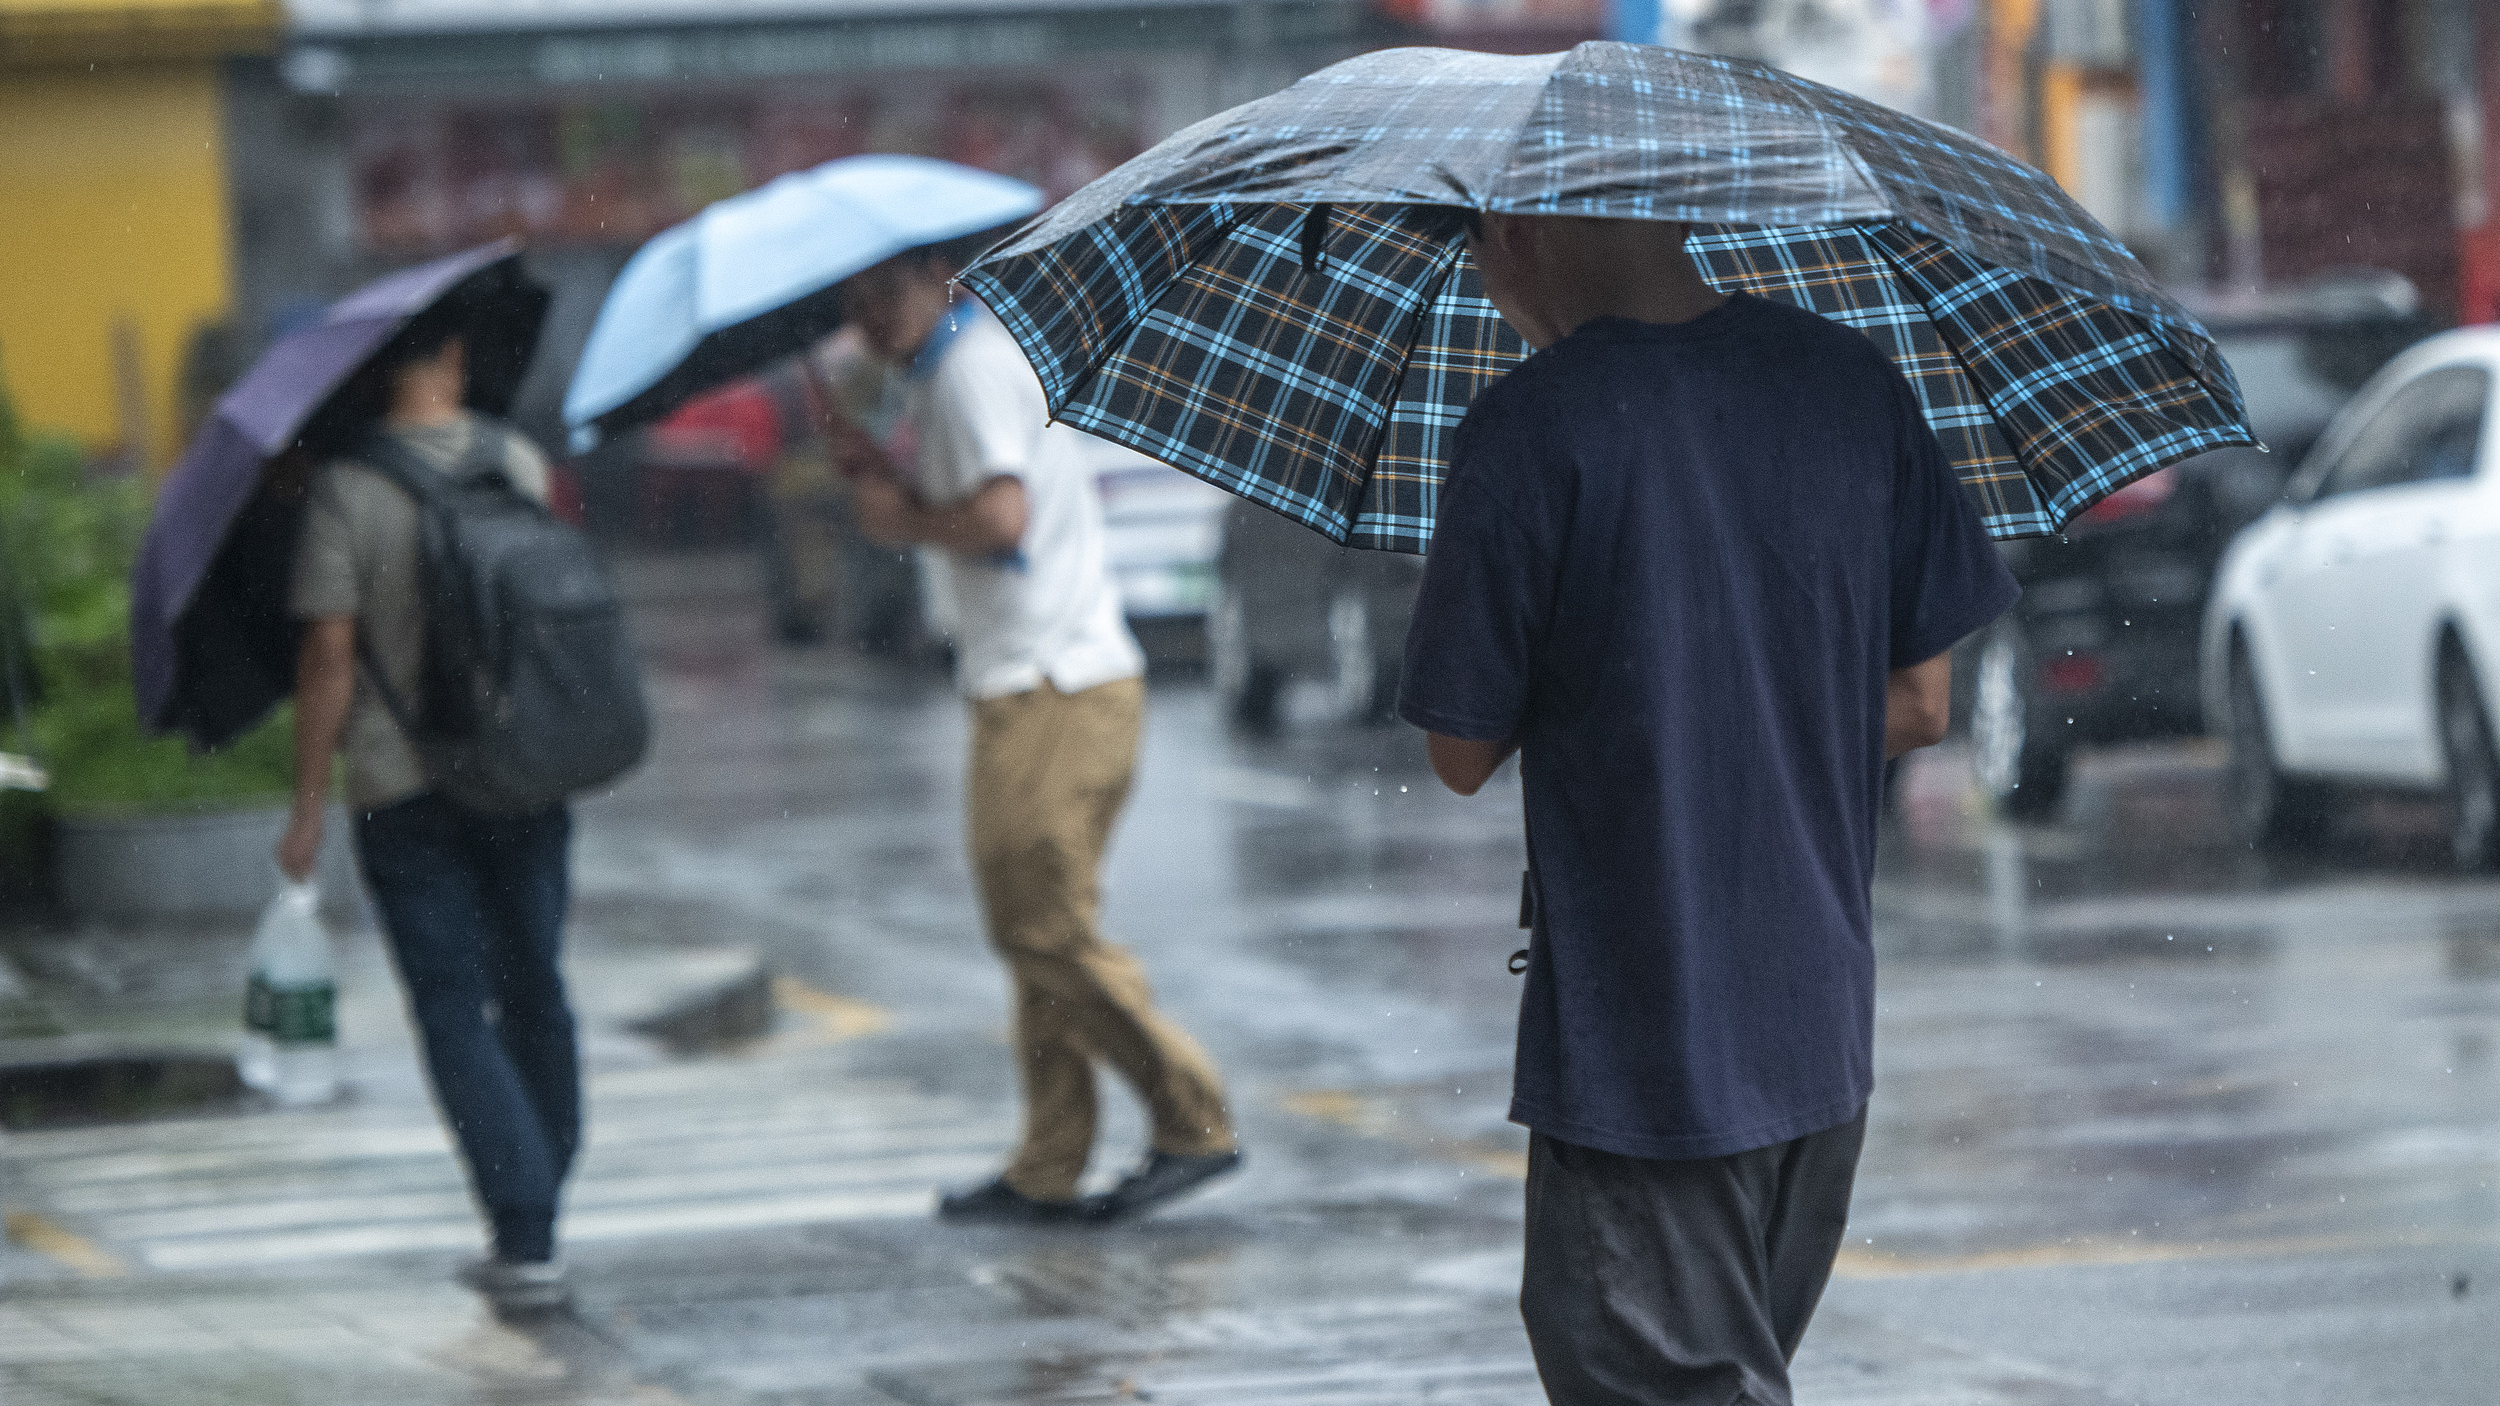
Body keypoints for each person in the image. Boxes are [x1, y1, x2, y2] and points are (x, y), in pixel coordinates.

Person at [1399, 213, 2018, 1405]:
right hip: (1814, 1039)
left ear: (1518, 234)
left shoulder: (1530, 427)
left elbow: (1460, 746)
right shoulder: (1849, 383)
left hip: (1649, 1044)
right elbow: (1924, 700)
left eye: (1478, 238)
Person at [834, 241, 1241, 1225]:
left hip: (1053, 684)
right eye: (857, 298)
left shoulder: (970, 369)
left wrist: (903, 521)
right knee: (1034, 931)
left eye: (888, 289)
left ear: (940, 275)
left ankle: (1193, 1115)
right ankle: (1049, 1158)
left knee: (1041, 927)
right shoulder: (950, 369)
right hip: (1039, 680)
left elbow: (1000, 519)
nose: (873, 315)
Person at [277, 307, 580, 1311]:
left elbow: (326, 660)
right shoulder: (519, 464)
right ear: (455, 357)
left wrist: (306, 807)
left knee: (453, 1006)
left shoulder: (346, 490)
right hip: (526, 771)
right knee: (534, 985)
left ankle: (522, 1220)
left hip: (400, 787)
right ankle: (538, 1178)